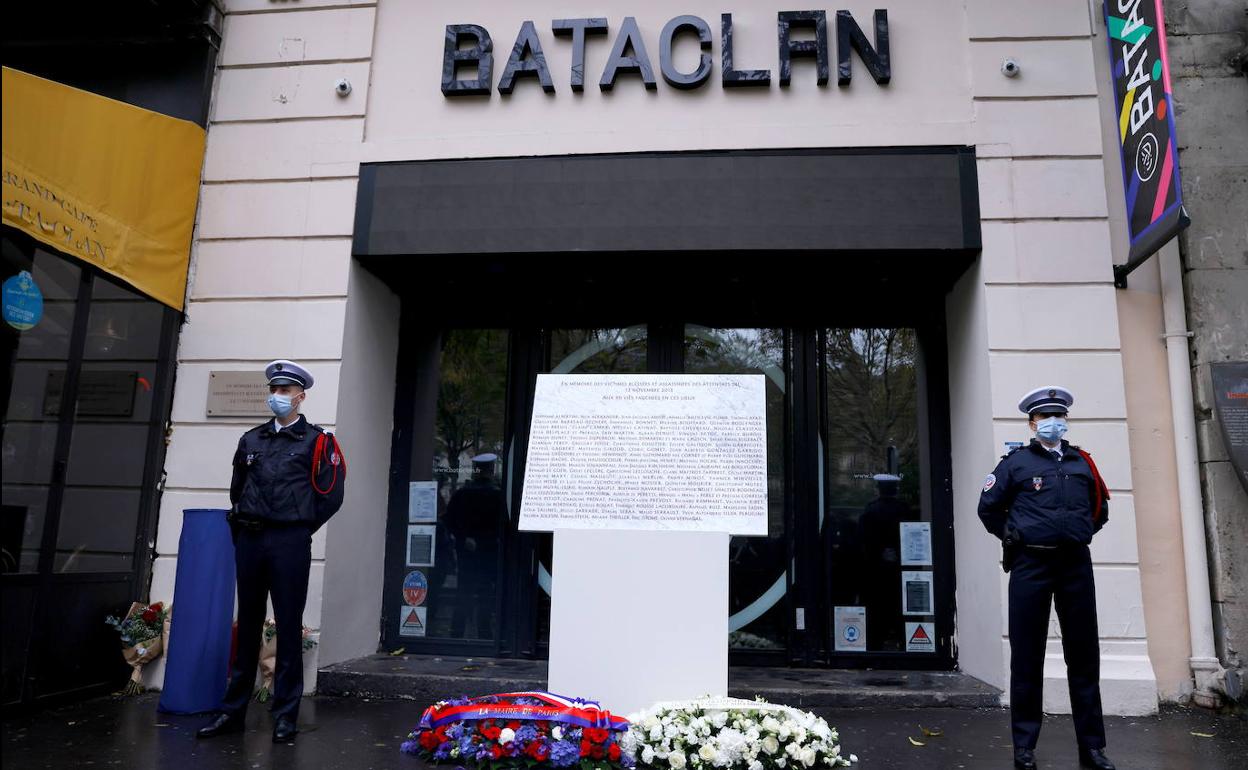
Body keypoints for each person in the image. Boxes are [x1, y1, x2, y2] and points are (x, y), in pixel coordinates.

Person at [197, 360, 346, 743]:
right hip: (250, 538)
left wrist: (297, 526)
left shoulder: (317, 441)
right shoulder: (252, 439)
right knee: (246, 624)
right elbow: (237, 488)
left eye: (285, 391)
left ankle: (285, 715)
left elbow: (330, 496)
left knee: (287, 628)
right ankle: (232, 712)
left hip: (288, 542)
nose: (278, 396)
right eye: (274, 389)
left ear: (301, 396)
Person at [978, 386, 1114, 770]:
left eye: (1058, 416)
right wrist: (1013, 537)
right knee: (1027, 657)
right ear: (1032, 423)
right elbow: (988, 507)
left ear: (1065, 421)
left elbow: (1099, 509)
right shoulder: (1016, 464)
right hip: (1031, 567)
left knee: (1084, 657)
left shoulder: (1081, 462)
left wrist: (1076, 533)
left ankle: (1092, 749)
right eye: (1044, 417)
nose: (1052, 423)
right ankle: (1024, 748)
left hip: (1075, 566)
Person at [443, 452, 507, 639]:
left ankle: (457, 632)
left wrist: (463, 538)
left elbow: (450, 520)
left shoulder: (462, 494)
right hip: (489, 550)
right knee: (486, 593)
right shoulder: (498, 495)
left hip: (467, 552)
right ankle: (485, 634)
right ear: (491, 469)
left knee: (464, 592)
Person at [858, 473, 912, 650]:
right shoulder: (904, 509)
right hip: (900, 568)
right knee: (898, 608)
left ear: (878, 490)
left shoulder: (871, 510)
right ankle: (903, 643)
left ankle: (874, 644)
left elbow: (864, 542)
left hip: (875, 570)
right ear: (895, 490)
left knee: (876, 609)